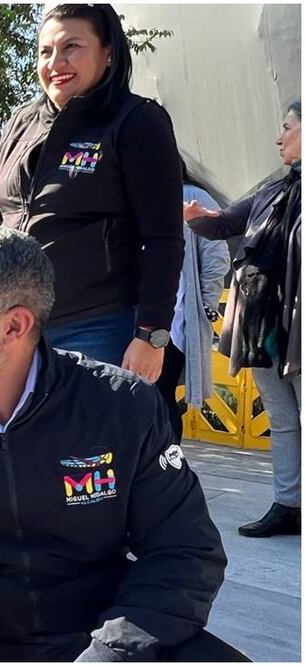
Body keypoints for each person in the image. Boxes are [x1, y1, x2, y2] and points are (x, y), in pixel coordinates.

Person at [0, 226, 245, 662]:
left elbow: (185, 553)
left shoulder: (121, 407)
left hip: (102, 637)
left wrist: (109, 654)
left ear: (14, 325)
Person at [0, 3, 183, 380]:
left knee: (87, 440)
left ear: (108, 53)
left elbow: (164, 239)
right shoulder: (20, 123)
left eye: (71, 47)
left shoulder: (137, 121)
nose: (55, 62)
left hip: (98, 327)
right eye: (45, 51)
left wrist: (151, 335)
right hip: (15, 326)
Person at [183, 99, 302, 538]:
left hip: (299, 327)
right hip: (264, 327)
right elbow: (224, 223)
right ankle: (289, 505)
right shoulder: (272, 190)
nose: (278, 137)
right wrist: (197, 219)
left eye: (287, 128)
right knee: (283, 418)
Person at [154, 163, 231, 443]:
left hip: (173, 320)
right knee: (148, 397)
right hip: (138, 316)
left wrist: (205, 308)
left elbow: (217, 257)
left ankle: (168, 470)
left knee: (159, 396)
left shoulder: (191, 197)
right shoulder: (139, 197)